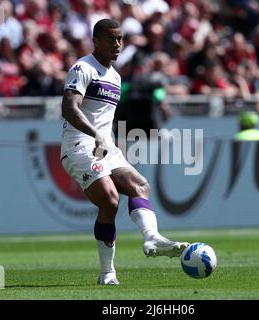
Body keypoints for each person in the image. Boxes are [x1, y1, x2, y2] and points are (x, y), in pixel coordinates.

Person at [60, 19, 189, 285]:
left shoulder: (116, 77)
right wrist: (95, 135)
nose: (117, 44)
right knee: (109, 199)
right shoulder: (83, 68)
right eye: (111, 39)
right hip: (79, 146)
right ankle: (107, 273)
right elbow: (69, 109)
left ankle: (152, 238)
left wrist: (110, 141)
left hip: (105, 146)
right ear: (96, 40)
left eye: (120, 39)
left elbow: (104, 119)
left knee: (140, 185)